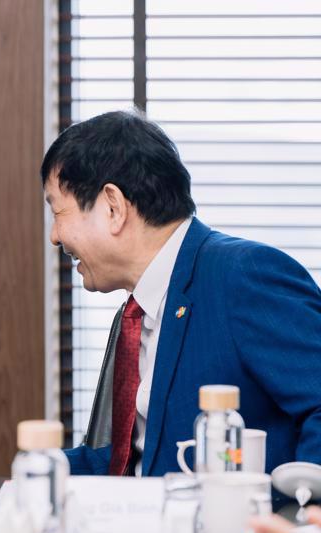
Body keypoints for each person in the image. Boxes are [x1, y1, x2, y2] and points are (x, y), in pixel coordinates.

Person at [40, 110, 321, 476]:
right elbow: (138, 460)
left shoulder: (243, 275)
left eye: (58, 211)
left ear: (113, 207)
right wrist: (36, 472)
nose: (55, 236)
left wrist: (303, 511)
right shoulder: (142, 310)